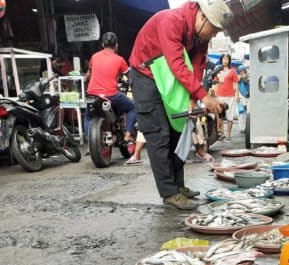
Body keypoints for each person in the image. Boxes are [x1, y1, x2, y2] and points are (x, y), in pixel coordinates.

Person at [129, 0, 229, 210]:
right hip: (146, 76)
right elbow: (177, 63)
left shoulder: (200, 35)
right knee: (159, 134)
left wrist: (193, 96)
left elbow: (198, 65)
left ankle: (178, 185)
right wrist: (204, 96)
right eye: (214, 30)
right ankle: (169, 192)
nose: (214, 35)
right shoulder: (170, 21)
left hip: (170, 78)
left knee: (179, 129)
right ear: (203, 16)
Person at [86, 32, 137, 145]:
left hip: (92, 94)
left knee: (88, 115)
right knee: (133, 108)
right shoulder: (119, 60)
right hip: (111, 94)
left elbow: (88, 74)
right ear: (117, 45)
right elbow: (130, 77)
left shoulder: (94, 56)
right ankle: (128, 136)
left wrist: (85, 83)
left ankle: (89, 145)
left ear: (102, 44)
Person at [213, 53, 239, 140]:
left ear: (229, 60)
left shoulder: (233, 71)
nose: (225, 61)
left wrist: (237, 95)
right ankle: (221, 133)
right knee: (220, 115)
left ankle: (228, 134)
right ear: (221, 60)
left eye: (227, 59)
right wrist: (215, 95)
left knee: (230, 115)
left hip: (230, 96)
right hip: (220, 96)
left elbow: (236, 84)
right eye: (224, 59)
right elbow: (215, 84)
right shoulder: (217, 70)